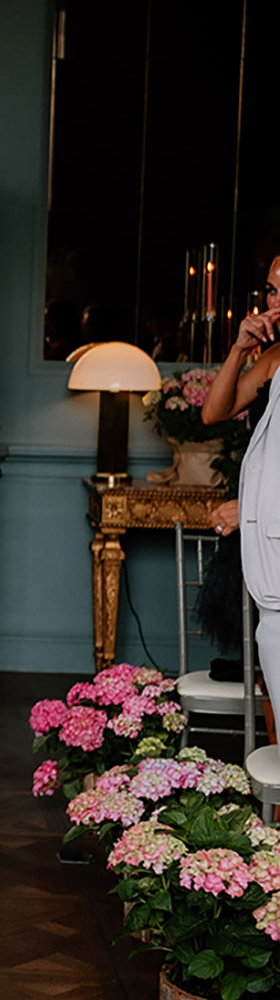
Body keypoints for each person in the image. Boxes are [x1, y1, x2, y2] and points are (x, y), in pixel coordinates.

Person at [201, 257, 280, 701]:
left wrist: (245, 507)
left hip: (264, 515)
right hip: (258, 525)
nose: (276, 301)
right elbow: (213, 413)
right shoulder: (272, 358)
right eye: (271, 290)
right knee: (266, 667)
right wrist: (238, 348)